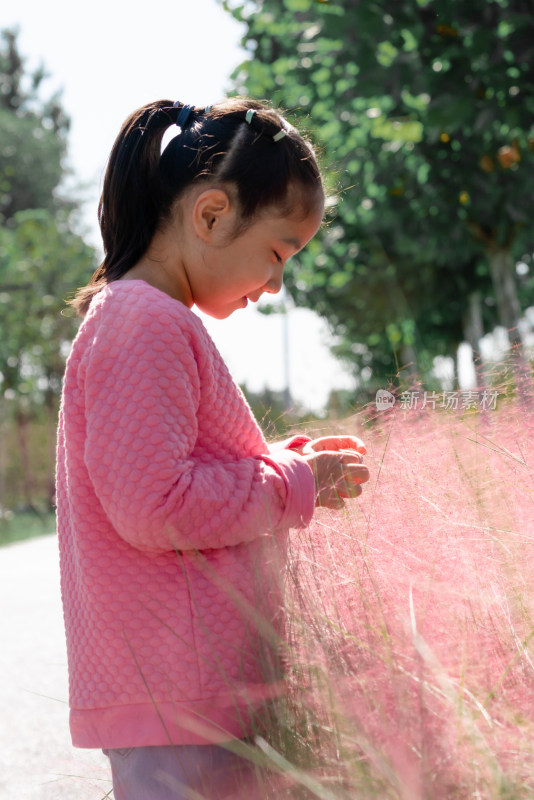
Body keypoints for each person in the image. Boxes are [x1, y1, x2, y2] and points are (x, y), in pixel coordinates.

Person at [56, 97, 369, 799]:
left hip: (184, 698)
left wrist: (293, 462)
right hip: (180, 700)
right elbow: (155, 505)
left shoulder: (145, 318)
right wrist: (291, 483)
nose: (276, 283)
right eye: (278, 252)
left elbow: (178, 473)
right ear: (210, 214)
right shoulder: (144, 322)